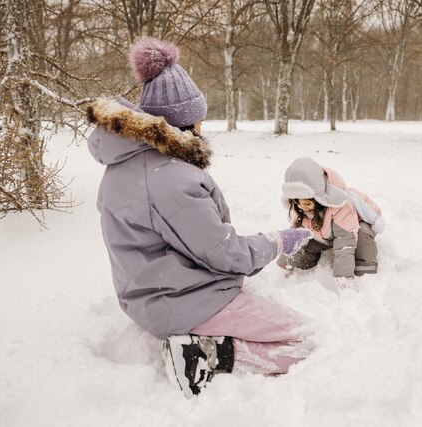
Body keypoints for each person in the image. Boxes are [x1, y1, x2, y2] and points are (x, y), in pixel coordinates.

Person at [86, 37, 314, 399]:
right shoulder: (170, 178)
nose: (202, 130)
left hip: (150, 295)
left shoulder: (125, 164)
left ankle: (207, 344)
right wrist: (277, 241)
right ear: (181, 124)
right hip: (182, 300)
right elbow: (224, 253)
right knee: (305, 339)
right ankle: (207, 356)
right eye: (198, 122)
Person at [277, 157, 385, 292]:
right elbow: (296, 235)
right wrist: (286, 261)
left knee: (361, 239)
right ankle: (302, 260)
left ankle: (364, 271)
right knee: (306, 241)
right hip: (327, 226)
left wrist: (343, 277)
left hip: (359, 222)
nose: (302, 207)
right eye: (298, 203)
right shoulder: (303, 205)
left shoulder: (340, 206)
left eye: (307, 204)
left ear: (319, 198)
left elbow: (345, 242)